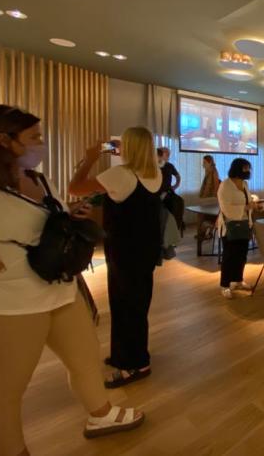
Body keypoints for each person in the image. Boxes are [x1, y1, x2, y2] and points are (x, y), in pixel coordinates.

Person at [0, 105, 143, 456]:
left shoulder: (39, 180)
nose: (41, 144)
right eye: (34, 137)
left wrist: (70, 215)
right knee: (7, 392)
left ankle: (101, 415)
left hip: (61, 291)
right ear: (4, 140)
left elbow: (41, 224)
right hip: (9, 304)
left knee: (85, 360)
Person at [69, 127, 162, 389]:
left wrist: (90, 158)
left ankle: (136, 364)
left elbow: (74, 188)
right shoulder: (155, 173)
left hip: (125, 250)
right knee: (135, 303)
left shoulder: (120, 174)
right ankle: (125, 354)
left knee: (125, 304)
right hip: (145, 249)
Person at [217, 158, 255, 299]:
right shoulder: (226, 185)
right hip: (230, 226)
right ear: (237, 169)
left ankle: (238, 280)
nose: (248, 171)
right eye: (245, 168)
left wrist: (253, 205)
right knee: (229, 256)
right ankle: (225, 285)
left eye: (248, 168)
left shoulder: (244, 184)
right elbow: (225, 207)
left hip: (244, 224)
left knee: (242, 254)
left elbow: (248, 201)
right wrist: (245, 207)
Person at [157, 147, 184, 234]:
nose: (168, 156)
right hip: (156, 193)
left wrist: (175, 186)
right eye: (166, 154)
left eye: (168, 154)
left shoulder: (169, 166)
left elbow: (178, 176)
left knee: (178, 203)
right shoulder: (154, 165)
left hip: (168, 192)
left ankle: (175, 229)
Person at [197, 154, 221, 239]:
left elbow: (212, 186)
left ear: (210, 162)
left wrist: (204, 198)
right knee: (203, 215)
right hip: (209, 197)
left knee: (202, 215)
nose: (203, 164)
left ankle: (202, 233)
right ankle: (204, 233)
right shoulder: (209, 171)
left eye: (204, 162)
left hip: (210, 198)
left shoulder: (212, 171)